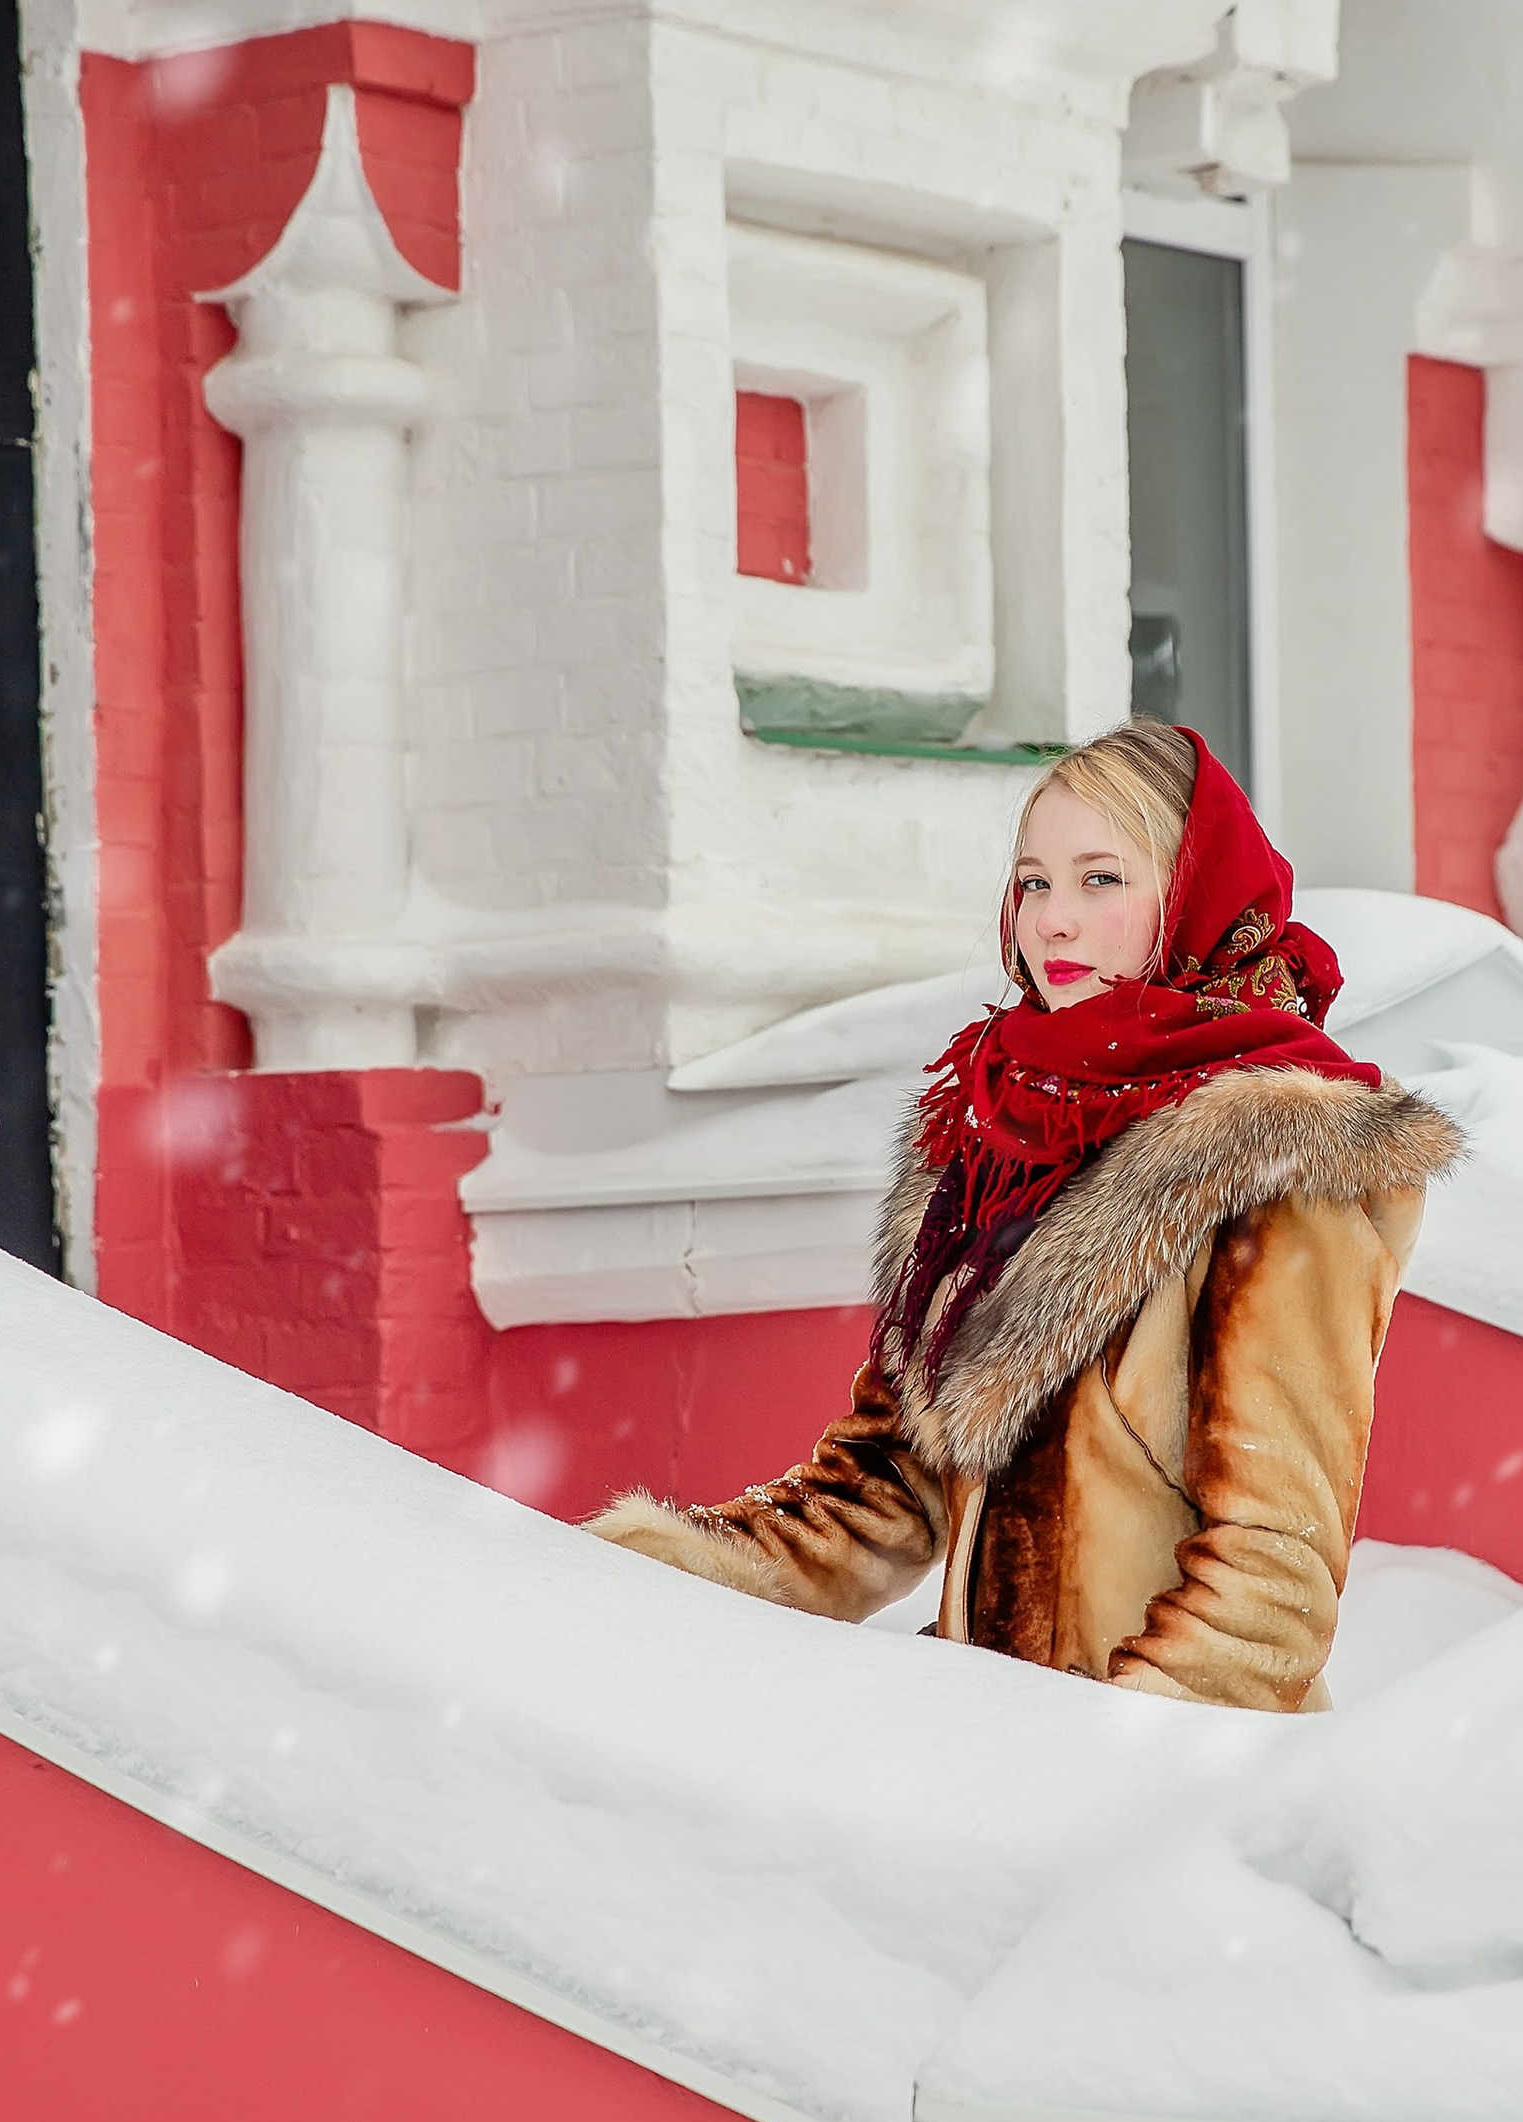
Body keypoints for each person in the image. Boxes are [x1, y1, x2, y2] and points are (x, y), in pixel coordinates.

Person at [589, 722, 1460, 1709]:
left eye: (1101, 880)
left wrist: (1087, 1761)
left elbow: (1267, 1588)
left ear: (1195, 894)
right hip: (991, 1745)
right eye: (1034, 882)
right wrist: (667, 1567)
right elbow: (888, 1482)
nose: (1053, 921)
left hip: (1152, 1763)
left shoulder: (1274, 1160)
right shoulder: (999, 1139)